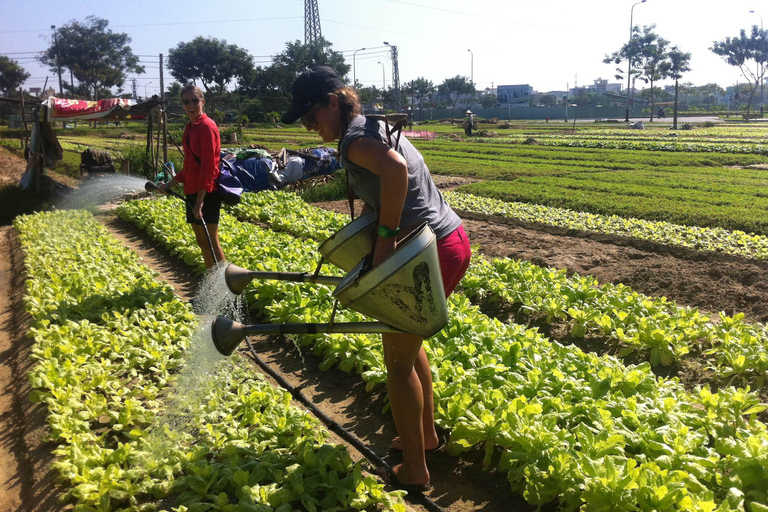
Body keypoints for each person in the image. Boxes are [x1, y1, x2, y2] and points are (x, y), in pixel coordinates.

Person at [282, 66, 471, 491]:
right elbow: (389, 185)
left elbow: (395, 171)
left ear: (332, 102)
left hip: (426, 251)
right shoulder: (373, 125)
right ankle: (425, 438)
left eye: (312, 116)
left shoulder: (353, 140)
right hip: (449, 239)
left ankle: (417, 471)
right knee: (409, 339)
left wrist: (385, 239)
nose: (311, 127)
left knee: (397, 360)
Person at [161, 85, 225, 269]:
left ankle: (224, 287)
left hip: (206, 193)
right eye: (186, 101)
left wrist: (200, 201)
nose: (191, 104)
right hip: (192, 191)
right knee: (201, 241)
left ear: (202, 102)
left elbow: (208, 167)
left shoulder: (206, 127)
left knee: (211, 241)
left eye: (195, 100)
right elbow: (190, 167)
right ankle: (211, 284)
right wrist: (169, 184)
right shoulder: (190, 127)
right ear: (182, 105)